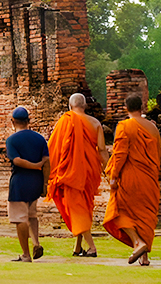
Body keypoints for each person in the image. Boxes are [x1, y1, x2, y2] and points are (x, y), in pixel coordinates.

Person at [104, 93, 161, 267]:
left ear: (125, 108)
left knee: (117, 212)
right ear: (142, 107)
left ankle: (138, 242)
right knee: (145, 216)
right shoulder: (153, 128)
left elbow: (120, 154)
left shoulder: (125, 126)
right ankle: (144, 257)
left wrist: (113, 176)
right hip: (150, 178)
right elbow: (158, 155)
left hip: (130, 177)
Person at [46, 92, 105, 257]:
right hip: (89, 171)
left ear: (70, 106)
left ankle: (92, 247)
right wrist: (108, 169)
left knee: (78, 209)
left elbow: (53, 147)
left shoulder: (66, 120)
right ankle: (78, 246)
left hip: (72, 173)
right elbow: (101, 150)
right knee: (83, 207)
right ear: (84, 106)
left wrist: (46, 170)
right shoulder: (95, 123)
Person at [4, 106, 50, 262]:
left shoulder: (12, 140)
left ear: (13, 122)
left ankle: (26, 254)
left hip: (20, 182)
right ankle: (36, 243)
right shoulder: (39, 139)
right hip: (36, 181)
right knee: (32, 214)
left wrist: (34, 165)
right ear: (28, 121)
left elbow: (17, 161)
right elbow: (47, 163)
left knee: (20, 218)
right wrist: (45, 184)